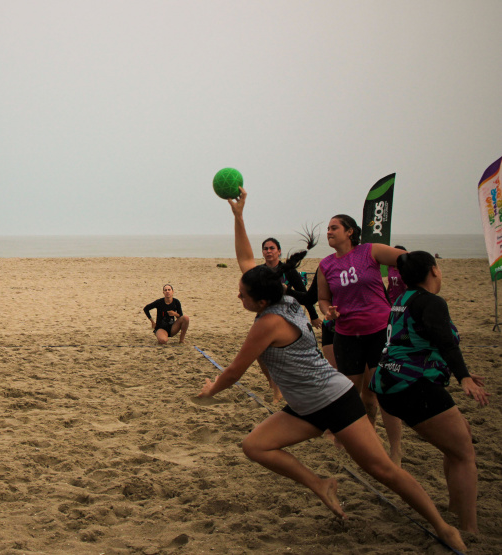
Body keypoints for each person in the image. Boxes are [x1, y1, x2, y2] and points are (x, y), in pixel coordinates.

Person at [197, 189, 465, 551]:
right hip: (306, 407)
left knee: (383, 471)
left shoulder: (268, 322)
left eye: (242, 296)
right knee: (255, 445)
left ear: (260, 301)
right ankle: (321, 483)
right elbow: (247, 259)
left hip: (334, 399)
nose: (238, 297)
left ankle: (444, 527)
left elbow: (233, 373)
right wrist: (239, 217)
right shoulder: (284, 296)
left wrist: (211, 390)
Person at [371, 251, 490, 533]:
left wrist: (460, 372)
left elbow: (417, 341)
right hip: (411, 386)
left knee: (460, 436)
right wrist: (463, 378)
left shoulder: (402, 299)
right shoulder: (432, 302)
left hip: (389, 383)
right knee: (464, 454)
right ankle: (469, 530)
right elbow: (447, 343)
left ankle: (454, 506)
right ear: (434, 271)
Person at [316, 215, 406, 464]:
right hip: (346, 335)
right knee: (349, 392)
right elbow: (323, 298)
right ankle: (353, 436)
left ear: (350, 232)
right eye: (328, 228)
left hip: (378, 331)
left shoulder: (370, 251)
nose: (329, 232)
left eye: (334, 228)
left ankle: (396, 450)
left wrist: (426, 272)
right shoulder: (325, 265)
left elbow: (404, 258)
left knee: (383, 391)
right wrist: (327, 311)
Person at [261, 236, 322, 327]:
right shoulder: (260, 271)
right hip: (266, 314)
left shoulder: (288, 270)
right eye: (265, 249)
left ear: (279, 251)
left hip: (287, 314)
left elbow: (303, 293)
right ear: (263, 252)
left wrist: (313, 316)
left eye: (272, 248)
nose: (268, 251)